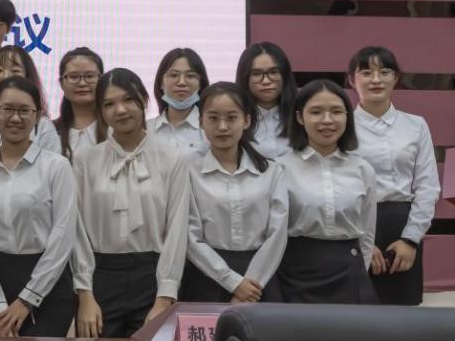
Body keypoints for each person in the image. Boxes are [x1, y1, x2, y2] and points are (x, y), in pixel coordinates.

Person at [0, 77, 78, 341]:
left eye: (24, 110)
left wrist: (28, 299)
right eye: (7, 109)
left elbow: (62, 238)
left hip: (48, 286)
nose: (15, 118)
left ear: (38, 115)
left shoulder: (57, 167)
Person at [72, 68, 189, 339]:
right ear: (101, 112)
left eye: (128, 100)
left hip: (153, 276)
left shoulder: (172, 157)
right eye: (109, 104)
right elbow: (76, 230)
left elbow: (177, 230)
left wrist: (165, 297)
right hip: (101, 277)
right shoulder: (85, 160)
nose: (120, 110)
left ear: (144, 101)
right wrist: (85, 294)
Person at [179, 82, 287, 304]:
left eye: (231, 118)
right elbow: (190, 235)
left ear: (246, 120)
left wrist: (251, 284)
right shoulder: (188, 171)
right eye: (213, 118)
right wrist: (233, 282)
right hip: (207, 276)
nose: (222, 127)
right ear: (201, 122)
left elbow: (277, 234)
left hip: (261, 279)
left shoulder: (271, 171)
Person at [349, 46, 440, 306]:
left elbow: (427, 186)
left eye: (384, 72)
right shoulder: (343, 126)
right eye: (366, 72)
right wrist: (362, 242)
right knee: (357, 312)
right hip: (356, 225)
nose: (376, 79)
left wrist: (411, 239)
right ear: (352, 80)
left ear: (396, 78)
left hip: (403, 225)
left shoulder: (416, 125)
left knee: (403, 313)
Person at [277, 79, 378, 304]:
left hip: (349, 274)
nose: (327, 120)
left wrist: (360, 271)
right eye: (316, 112)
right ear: (300, 117)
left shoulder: (362, 169)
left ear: (347, 117)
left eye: (336, 112)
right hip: (295, 274)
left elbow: (367, 234)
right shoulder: (281, 168)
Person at [0, 45, 61, 159]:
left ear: (28, 76)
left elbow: (54, 165)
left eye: (15, 71)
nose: (6, 76)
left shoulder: (43, 126)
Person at [236, 42, 298, 159]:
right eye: (256, 74)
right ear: (245, 78)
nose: (266, 81)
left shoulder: (302, 114)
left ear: (284, 75)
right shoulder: (235, 118)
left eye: (273, 72)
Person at [148, 48, 210, 155]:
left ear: (201, 84)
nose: (181, 82)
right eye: (174, 75)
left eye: (190, 76)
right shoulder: (145, 131)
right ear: (161, 83)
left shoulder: (210, 129)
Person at [51, 47, 107, 161]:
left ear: (102, 80)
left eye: (90, 76)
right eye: (73, 77)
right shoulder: (50, 131)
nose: (82, 83)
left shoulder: (114, 128)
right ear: (61, 83)